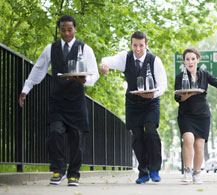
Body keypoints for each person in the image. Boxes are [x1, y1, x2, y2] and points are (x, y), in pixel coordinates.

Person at [18, 15, 99, 186]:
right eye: (63, 29)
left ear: (75, 29)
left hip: (76, 100)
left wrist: (85, 80)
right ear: (60, 30)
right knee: (55, 133)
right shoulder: (51, 48)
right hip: (57, 100)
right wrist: (26, 89)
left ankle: (74, 174)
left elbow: (94, 73)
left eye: (69, 29)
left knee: (76, 138)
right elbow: (39, 69)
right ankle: (58, 169)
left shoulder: (85, 49)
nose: (66, 33)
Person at [100, 31, 167, 184]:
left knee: (150, 132)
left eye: (141, 45)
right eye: (135, 45)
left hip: (151, 103)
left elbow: (163, 85)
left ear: (146, 45)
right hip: (133, 103)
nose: (138, 49)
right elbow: (107, 60)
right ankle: (143, 171)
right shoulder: (125, 57)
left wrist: (152, 95)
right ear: (131, 44)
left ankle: (154, 169)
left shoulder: (155, 60)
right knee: (137, 137)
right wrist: (104, 65)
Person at [174, 48, 217, 184]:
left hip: (202, 115)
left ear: (198, 60)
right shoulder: (180, 77)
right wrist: (189, 94)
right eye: (187, 59)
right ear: (184, 62)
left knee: (199, 145)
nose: (190, 62)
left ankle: (196, 173)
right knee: (188, 139)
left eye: (193, 59)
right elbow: (177, 97)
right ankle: (187, 171)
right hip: (186, 113)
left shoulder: (204, 74)